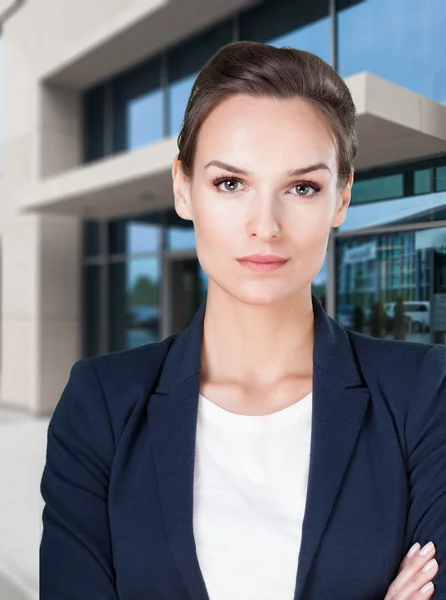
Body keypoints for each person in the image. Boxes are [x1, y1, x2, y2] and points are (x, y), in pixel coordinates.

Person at [39, 42, 444, 600]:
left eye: (302, 187)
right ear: (183, 187)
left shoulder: (422, 394)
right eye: (230, 183)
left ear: (342, 197)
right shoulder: (102, 403)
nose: (266, 225)